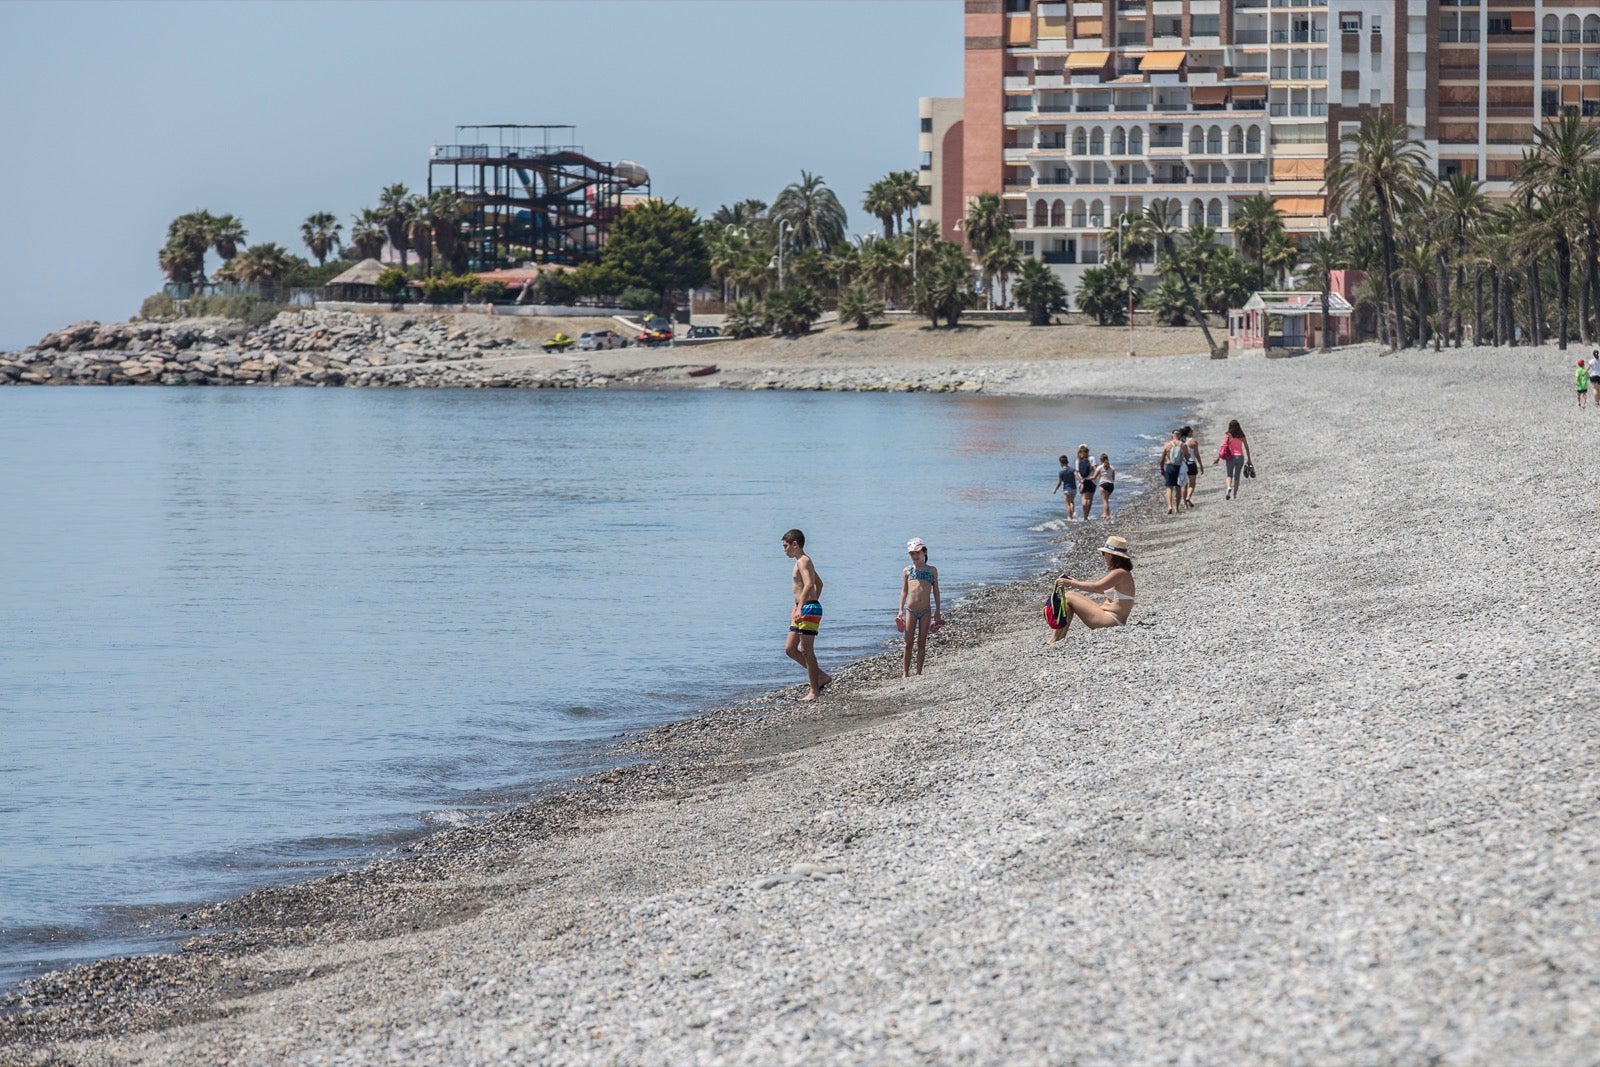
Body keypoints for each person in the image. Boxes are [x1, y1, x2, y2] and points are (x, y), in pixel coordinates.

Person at [1046, 535, 1136, 644]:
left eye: (1104, 554)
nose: (1104, 557)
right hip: (1110, 617)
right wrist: (1075, 583)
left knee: (1069, 596)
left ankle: (1055, 639)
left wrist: (1072, 583)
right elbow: (1102, 589)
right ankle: (1058, 638)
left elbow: (1097, 587)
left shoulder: (1120, 573)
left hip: (1110, 620)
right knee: (1070, 596)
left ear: (1111, 555)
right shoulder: (1123, 573)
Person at [782, 529, 831, 700]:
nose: (784, 550)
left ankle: (814, 691)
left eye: (785, 546)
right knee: (790, 648)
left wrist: (804, 606)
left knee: (807, 650)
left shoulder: (803, 561)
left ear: (795, 544)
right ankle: (821, 677)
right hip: (804, 607)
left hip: (805, 608)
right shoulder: (801, 562)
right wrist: (808, 603)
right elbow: (820, 584)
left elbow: (810, 584)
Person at [897, 537, 943, 678]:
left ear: (924, 552)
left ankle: (918, 672)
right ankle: (905, 673)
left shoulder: (932, 570)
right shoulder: (907, 571)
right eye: (912, 554)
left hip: (926, 611)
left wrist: (938, 611)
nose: (915, 556)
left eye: (917, 553)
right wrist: (900, 611)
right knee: (908, 643)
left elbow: (936, 591)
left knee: (922, 642)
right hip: (910, 610)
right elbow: (904, 592)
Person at [1216, 419, 1252, 500]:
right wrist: (1249, 459)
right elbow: (1246, 447)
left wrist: (1218, 458)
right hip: (1240, 457)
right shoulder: (1242, 435)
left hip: (1230, 457)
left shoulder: (1228, 435)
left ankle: (1229, 487)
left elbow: (1224, 447)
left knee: (1229, 475)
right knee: (1237, 476)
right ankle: (1235, 495)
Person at [1159, 429, 1186, 514]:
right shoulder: (1183, 445)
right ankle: (1177, 508)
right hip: (1179, 467)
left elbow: (1162, 459)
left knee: (1169, 488)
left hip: (1170, 467)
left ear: (1172, 436)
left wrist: (1162, 469)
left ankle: (1169, 506)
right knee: (1178, 488)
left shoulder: (1167, 445)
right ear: (1180, 436)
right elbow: (1188, 457)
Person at [1181, 425, 1204, 509]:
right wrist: (1201, 465)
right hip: (1191, 463)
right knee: (1192, 484)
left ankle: (1185, 505)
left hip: (1183, 464)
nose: (1193, 431)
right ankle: (1188, 497)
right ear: (1189, 432)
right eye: (1191, 431)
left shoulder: (1181, 442)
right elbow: (1197, 455)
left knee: (1184, 484)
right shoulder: (1193, 441)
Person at [1051, 454, 1078, 520]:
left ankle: (1070, 517)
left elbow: (1059, 483)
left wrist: (1055, 489)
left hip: (1066, 489)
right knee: (1072, 502)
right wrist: (1081, 482)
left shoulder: (1061, 472)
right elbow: (1077, 476)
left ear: (1061, 463)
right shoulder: (1072, 469)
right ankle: (1073, 513)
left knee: (1067, 503)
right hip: (1074, 488)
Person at [1076, 444, 1097, 520]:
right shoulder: (1092, 458)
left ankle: (1084, 514)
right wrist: (1094, 477)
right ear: (1087, 450)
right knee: (1090, 499)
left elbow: (1077, 472)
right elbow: (1095, 469)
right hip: (1091, 481)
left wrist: (1080, 482)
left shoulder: (1078, 460)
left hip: (1082, 481)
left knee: (1084, 498)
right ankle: (1086, 516)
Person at [1092, 453, 1115, 518]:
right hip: (1111, 485)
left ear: (1101, 460)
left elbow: (1094, 477)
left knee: (1105, 501)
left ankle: (1106, 515)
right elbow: (1113, 478)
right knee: (1106, 500)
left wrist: (1087, 478)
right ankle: (1106, 513)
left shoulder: (1099, 467)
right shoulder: (1112, 467)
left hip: (1103, 485)